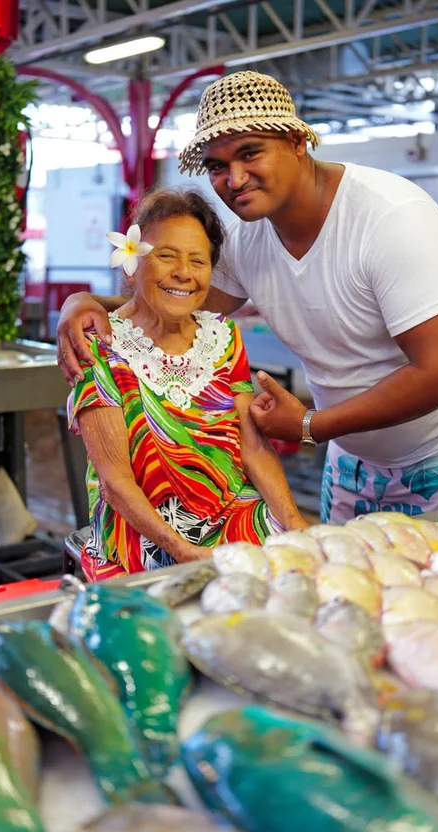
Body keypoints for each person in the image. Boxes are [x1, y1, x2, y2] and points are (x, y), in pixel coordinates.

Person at [58, 70, 438, 523]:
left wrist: (308, 426)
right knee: (347, 594)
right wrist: (85, 303)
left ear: (298, 142)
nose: (234, 179)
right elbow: (176, 301)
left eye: (250, 153)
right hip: (353, 455)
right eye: (217, 167)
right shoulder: (246, 240)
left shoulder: (389, 218)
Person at [67, 188, 307, 579]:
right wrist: (183, 550)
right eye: (166, 256)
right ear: (132, 262)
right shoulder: (100, 349)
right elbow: (115, 482)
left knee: (292, 580)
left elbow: (253, 447)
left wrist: (295, 523)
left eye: (198, 261)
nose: (184, 272)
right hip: (142, 530)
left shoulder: (224, 337)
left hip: (232, 512)